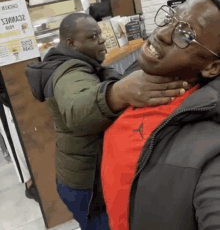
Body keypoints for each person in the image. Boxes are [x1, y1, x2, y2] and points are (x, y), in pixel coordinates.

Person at [25, 13, 188, 229]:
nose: (101, 40)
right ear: (71, 44)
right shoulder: (68, 72)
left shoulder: (85, 63)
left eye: (100, 34)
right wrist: (117, 93)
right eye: (92, 37)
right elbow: (78, 108)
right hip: (87, 188)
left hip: (81, 179)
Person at [101, 0, 220, 230]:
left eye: (186, 35)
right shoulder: (139, 79)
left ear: (212, 67)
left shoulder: (208, 142)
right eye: (169, 19)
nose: (161, 34)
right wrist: (115, 93)